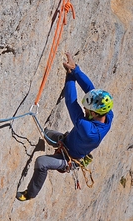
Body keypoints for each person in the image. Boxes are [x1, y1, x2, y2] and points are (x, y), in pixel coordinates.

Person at [16, 52, 114, 201]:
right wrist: (75, 70)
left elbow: (71, 102)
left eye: (87, 109)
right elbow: (91, 89)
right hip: (67, 141)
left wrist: (69, 78)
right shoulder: (107, 114)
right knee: (46, 132)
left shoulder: (88, 130)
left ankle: (29, 194)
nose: (84, 109)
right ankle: (50, 139)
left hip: (68, 159)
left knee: (41, 162)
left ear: (94, 114)